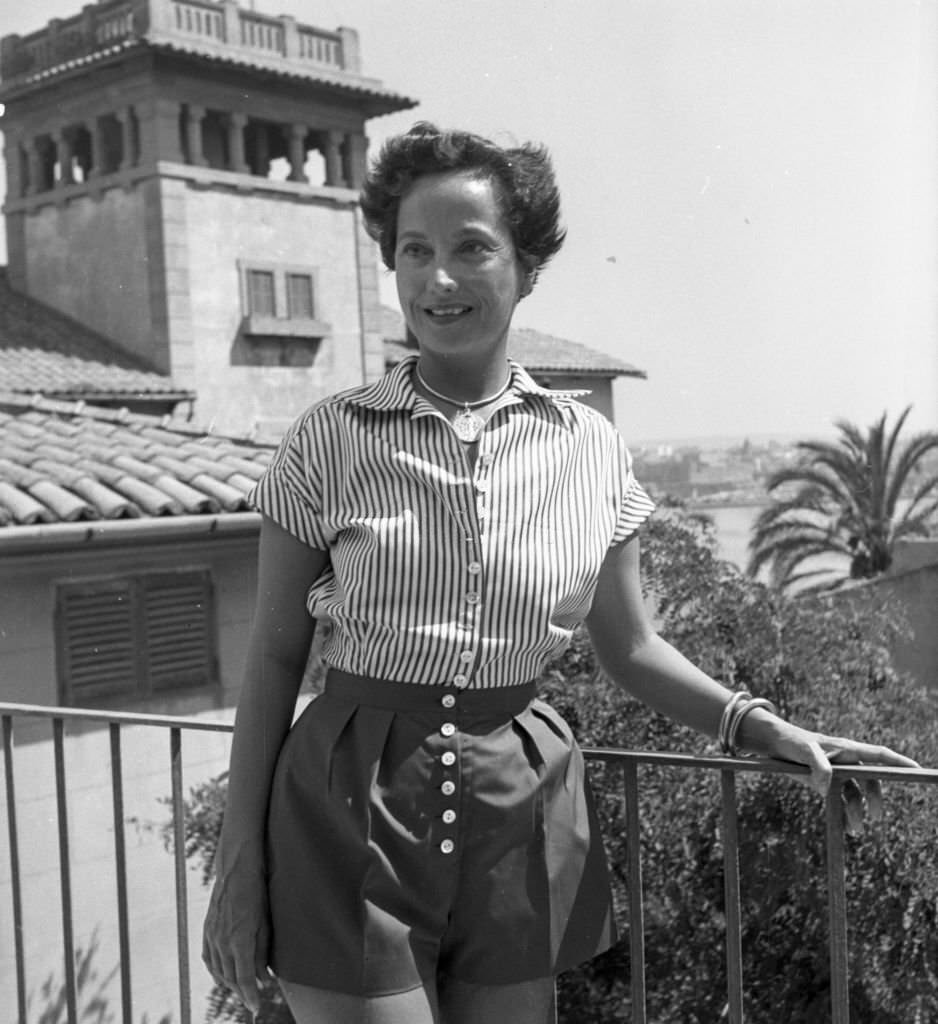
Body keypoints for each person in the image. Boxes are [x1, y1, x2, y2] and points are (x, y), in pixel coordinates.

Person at [202, 122, 917, 1024]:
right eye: (414, 251)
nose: (438, 279)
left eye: (471, 249)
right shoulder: (329, 438)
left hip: (521, 813)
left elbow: (634, 646)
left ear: (526, 266)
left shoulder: (590, 449)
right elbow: (272, 659)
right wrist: (239, 864)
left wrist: (764, 728)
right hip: (348, 812)